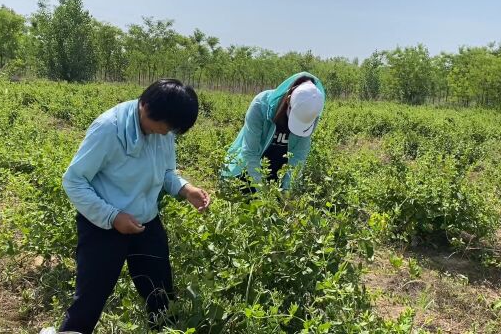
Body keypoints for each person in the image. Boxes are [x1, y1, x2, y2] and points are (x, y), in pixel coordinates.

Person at [58, 79, 211, 333]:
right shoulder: (109, 129)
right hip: (102, 226)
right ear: (146, 107)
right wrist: (112, 216)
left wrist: (186, 189)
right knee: (90, 299)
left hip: (146, 223)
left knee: (160, 293)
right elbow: (74, 181)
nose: (166, 133)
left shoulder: (164, 131)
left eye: (172, 129)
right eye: (165, 126)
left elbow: (166, 173)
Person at [222, 72, 326, 194]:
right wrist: (262, 192)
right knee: (240, 192)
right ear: (288, 100)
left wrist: (287, 190)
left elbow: (298, 156)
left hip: (278, 169)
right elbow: (250, 153)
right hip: (250, 165)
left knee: (283, 195)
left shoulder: (311, 113)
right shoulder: (261, 105)